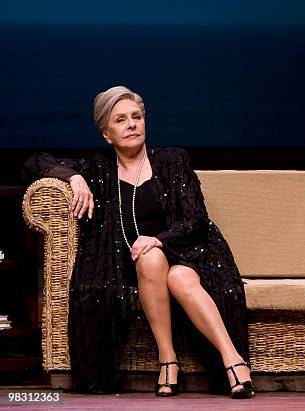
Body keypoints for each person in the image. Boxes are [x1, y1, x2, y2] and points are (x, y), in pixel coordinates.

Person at [24, 86, 254, 398]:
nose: (132, 124)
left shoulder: (173, 160)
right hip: (136, 264)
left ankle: (234, 360)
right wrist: (72, 177)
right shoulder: (97, 169)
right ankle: (168, 359)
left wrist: (158, 240)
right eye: (121, 120)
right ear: (107, 134)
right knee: (149, 259)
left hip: (189, 252)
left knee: (181, 277)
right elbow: (35, 161)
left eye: (137, 117)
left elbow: (195, 220)